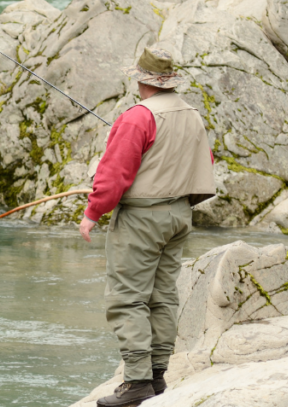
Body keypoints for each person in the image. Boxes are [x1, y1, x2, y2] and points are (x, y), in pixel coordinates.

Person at [78, 47, 215, 407]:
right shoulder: (191, 114)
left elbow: (114, 174)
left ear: (141, 80)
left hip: (142, 219)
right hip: (180, 216)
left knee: (128, 297)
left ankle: (137, 382)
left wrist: (92, 213)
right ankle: (156, 375)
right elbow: (204, 160)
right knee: (163, 295)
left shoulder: (138, 117)